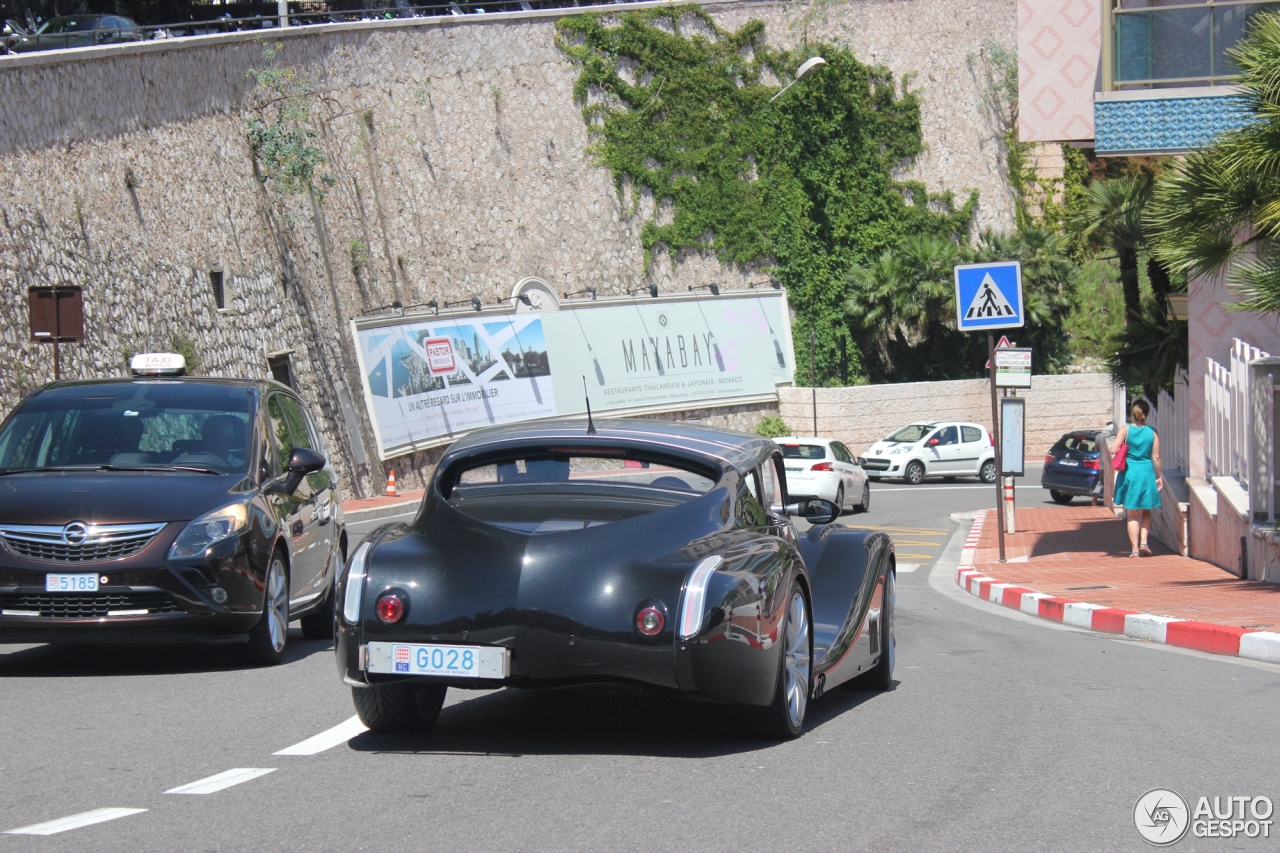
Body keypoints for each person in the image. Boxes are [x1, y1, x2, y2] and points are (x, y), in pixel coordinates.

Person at [1113, 399, 1162, 557]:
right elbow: (1156, 457)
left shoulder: (1125, 430)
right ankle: (1144, 542)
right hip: (1146, 473)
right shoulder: (1152, 433)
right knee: (1146, 510)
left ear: (1132, 414)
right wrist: (1159, 476)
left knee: (1132, 513)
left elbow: (1114, 449)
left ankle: (1134, 549)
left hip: (1129, 472)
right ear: (1146, 414)